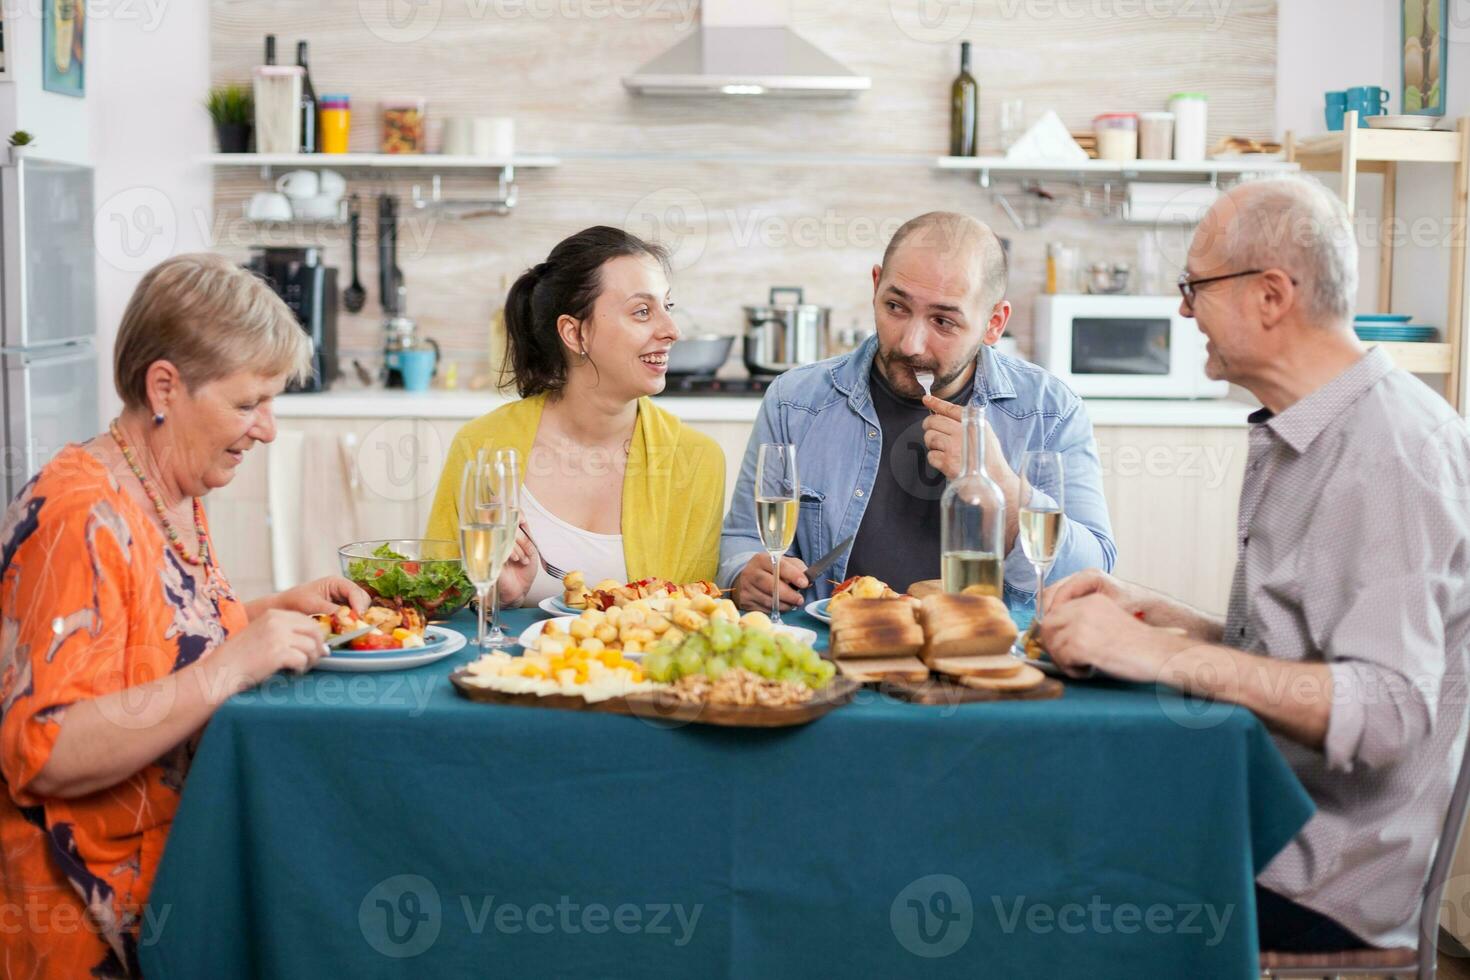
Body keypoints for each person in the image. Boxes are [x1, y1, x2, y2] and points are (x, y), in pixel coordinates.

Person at [1040, 174, 1470, 953]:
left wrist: (1156, 654)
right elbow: (1302, 658)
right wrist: (1177, 622)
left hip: (1323, 872)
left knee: (1039, 876)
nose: (1181, 310)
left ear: (1271, 295)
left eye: (1194, 286)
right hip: (1265, 813)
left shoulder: (1392, 454)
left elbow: (1388, 710)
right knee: (1041, 819)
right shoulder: (1308, 429)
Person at [0, 253, 370, 976]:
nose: (266, 430)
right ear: (164, 386)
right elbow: (39, 750)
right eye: (247, 403)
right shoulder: (81, 515)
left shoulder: (166, 487)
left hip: (171, 866)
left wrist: (269, 612)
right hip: (85, 913)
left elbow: (154, 642)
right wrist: (236, 662)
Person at [720, 211, 1114, 611]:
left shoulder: (1050, 412)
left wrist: (1001, 485)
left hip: (984, 654)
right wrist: (743, 575)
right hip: (831, 652)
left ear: (993, 323)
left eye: (943, 321)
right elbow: (742, 539)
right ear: (875, 286)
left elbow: (1090, 577)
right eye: (896, 306)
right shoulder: (794, 401)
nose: (910, 343)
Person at [425, 226, 725, 605]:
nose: (671, 331)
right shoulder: (481, 448)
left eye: (668, 307)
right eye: (642, 311)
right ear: (574, 333)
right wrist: (492, 597)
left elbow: (692, 618)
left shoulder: (696, 461)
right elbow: (435, 609)